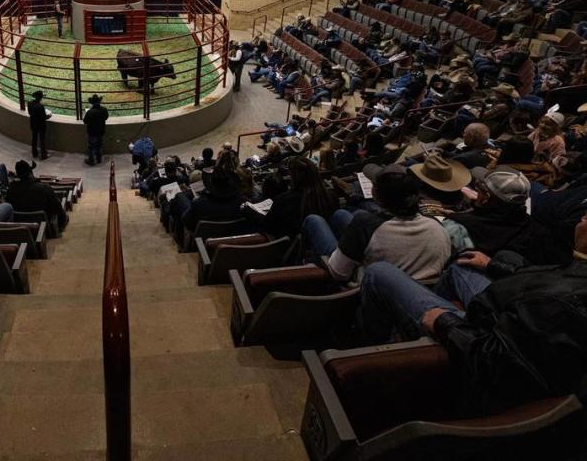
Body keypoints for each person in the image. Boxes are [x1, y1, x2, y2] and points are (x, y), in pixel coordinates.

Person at [359, 253, 587, 416]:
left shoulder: (560, 306)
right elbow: (548, 280)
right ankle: (420, 340)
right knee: (461, 267)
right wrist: (493, 265)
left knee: (380, 272)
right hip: (506, 316)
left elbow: (498, 361)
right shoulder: (576, 274)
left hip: (480, 341)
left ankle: (399, 354)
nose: (581, 219)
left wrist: (444, 323)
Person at [301, 164, 451, 282]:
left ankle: (304, 261)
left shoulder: (366, 224)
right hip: (416, 288)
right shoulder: (437, 226)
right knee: (340, 214)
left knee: (314, 220)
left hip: (363, 292)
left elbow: (338, 273)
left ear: (377, 198)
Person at [249, 156, 337, 240]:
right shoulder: (330, 197)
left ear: (294, 177)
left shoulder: (285, 200)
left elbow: (268, 226)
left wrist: (252, 213)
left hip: (293, 247)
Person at [5, 159, 68, 231]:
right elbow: (57, 208)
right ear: (30, 174)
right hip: (45, 230)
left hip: (20, 230)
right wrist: (64, 219)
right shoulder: (44, 188)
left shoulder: (10, 190)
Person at [83, 94, 109, 166]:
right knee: (99, 145)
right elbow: (106, 117)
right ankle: (99, 159)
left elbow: (85, 121)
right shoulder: (104, 110)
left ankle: (91, 160)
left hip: (92, 132)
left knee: (91, 146)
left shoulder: (90, 112)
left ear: (92, 103)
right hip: (101, 131)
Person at [27, 90, 51, 160]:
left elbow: (30, 113)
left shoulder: (29, 103)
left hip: (33, 124)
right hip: (41, 125)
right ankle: (43, 154)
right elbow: (43, 117)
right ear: (40, 98)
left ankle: (34, 152)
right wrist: (49, 115)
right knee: (42, 139)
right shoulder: (40, 106)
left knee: (34, 138)